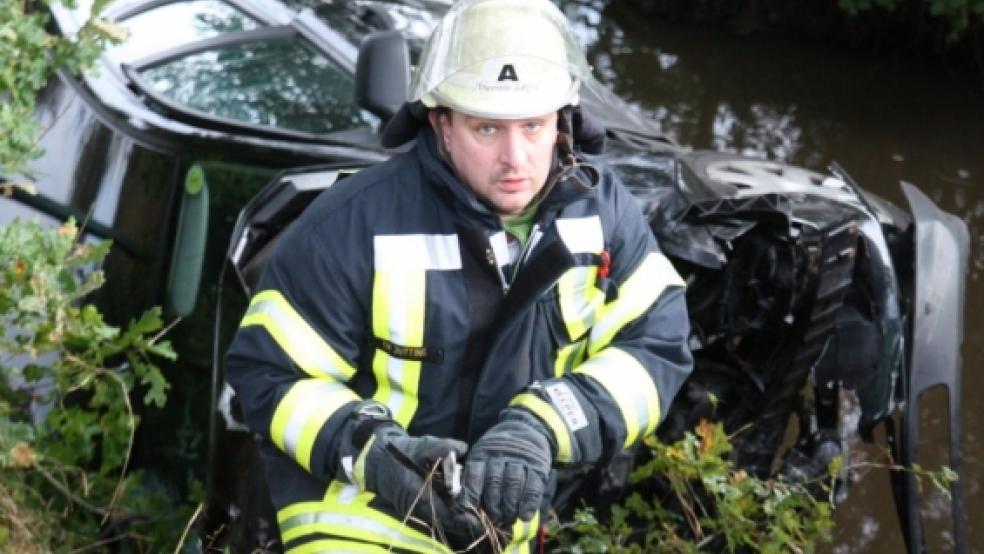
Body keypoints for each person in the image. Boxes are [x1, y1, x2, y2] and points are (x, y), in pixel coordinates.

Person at [224, 0, 693, 552]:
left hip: (501, 530)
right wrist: (379, 456)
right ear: (441, 123)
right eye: (487, 127)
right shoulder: (352, 224)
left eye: (533, 125)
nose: (514, 158)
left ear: (563, 119)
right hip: (355, 518)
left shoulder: (603, 214)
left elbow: (655, 346)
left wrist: (542, 425)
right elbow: (269, 375)